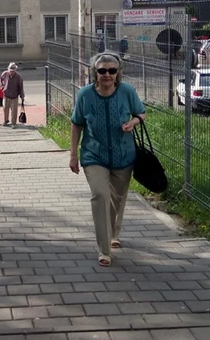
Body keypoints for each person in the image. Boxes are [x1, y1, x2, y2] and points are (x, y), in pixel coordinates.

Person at [69, 52, 147, 267]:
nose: (107, 74)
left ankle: (114, 233)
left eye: (112, 70)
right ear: (95, 72)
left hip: (124, 155)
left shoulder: (127, 91)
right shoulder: (85, 95)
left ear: (117, 73)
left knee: (118, 198)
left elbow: (142, 113)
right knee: (100, 196)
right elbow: (76, 124)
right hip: (94, 155)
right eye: (102, 70)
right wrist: (73, 155)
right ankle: (104, 249)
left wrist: (133, 122)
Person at [0, 62, 25, 128]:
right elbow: (1, 81)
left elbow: (21, 87)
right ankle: (6, 121)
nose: (11, 72)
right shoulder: (4, 74)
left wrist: (22, 96)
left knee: (14, 111)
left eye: (13, 71)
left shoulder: (18, 77)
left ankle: (13, 123)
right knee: (5, 108)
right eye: (10, 71)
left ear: (15, 70)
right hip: (6, 95)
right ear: (8, 69)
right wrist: (2, 87)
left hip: (14, 96)